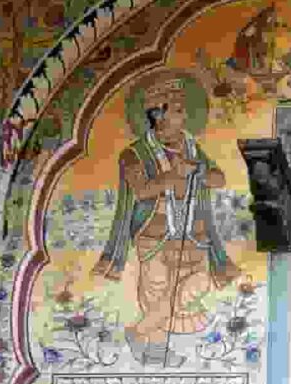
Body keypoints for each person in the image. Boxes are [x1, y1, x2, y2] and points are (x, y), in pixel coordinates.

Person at [93, 74, 233, 360]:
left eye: (183, 109)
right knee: (156, 292)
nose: (185, 116)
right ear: (158, 115)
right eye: (178, 110)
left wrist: (200, 171)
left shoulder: (192, 148)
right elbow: (142, 190)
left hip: (193, 234)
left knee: (199, 282)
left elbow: (218, 179)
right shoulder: (133, 154)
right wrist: (174, 175)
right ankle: (157, 352)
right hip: (154, 234)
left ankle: (138, 332)